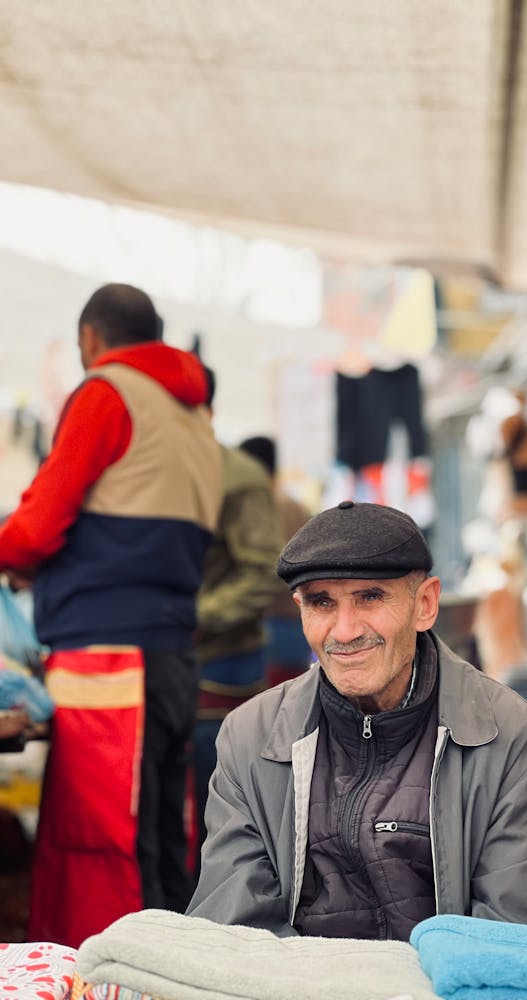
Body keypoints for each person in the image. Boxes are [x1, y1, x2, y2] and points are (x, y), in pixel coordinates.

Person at [187, 500, 527, 940]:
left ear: (425, 604)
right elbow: (234, 931)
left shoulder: (509, 737)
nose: (345, 630)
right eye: (322, 603)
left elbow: (513, 940)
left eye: (370, 597)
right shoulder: (249, 737)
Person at [0, 283, 222, 947]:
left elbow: (39, 524)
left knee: (101, 848)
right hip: (172, 658)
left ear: (90, 340)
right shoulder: (194, 415)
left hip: (107, 662)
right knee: (157, 842)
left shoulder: (106, 393)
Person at [192, 387, 284, 874]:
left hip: (224, 662)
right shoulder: (164, 472)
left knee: (223, 808)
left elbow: (262, 571)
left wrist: (195, 617)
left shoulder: (237, 478)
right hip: (177, 662)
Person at [239, 435, 313, 687]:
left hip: (264, 624)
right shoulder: (297, 507)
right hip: (298, 622)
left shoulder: (253, 507)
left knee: (264, 709)